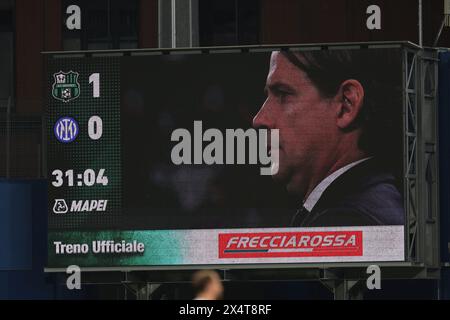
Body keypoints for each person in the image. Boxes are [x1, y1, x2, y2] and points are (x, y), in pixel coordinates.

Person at [253, 49, 404, 227]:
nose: (259, 119)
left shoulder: (348, 221)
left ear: (346, 105)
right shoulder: (371, 204)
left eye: (283, 94)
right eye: (268, 96)